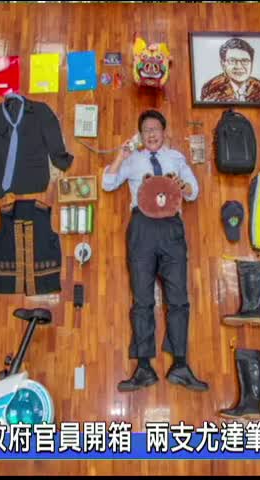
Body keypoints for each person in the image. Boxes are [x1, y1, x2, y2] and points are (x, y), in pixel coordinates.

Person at [102, 110, 209, 393]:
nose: (151, 133)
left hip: (172, 228)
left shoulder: (176, 158)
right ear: (140, 135)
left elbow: (194, 191)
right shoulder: (133, 160)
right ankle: (144, 368)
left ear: (164, 132)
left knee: (179, 299)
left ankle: (180, 366)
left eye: (155, 129)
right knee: (142, 300)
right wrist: (121, 155)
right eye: (146, 130)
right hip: (142, 228)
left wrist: (183, 185)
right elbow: (107, 183)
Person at [200, 37, 260, 103]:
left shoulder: (258, 87)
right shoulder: (212, 88)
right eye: (232, 61)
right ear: (223, 64)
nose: (239, 66)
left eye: (245, 61)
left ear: (252, 63)